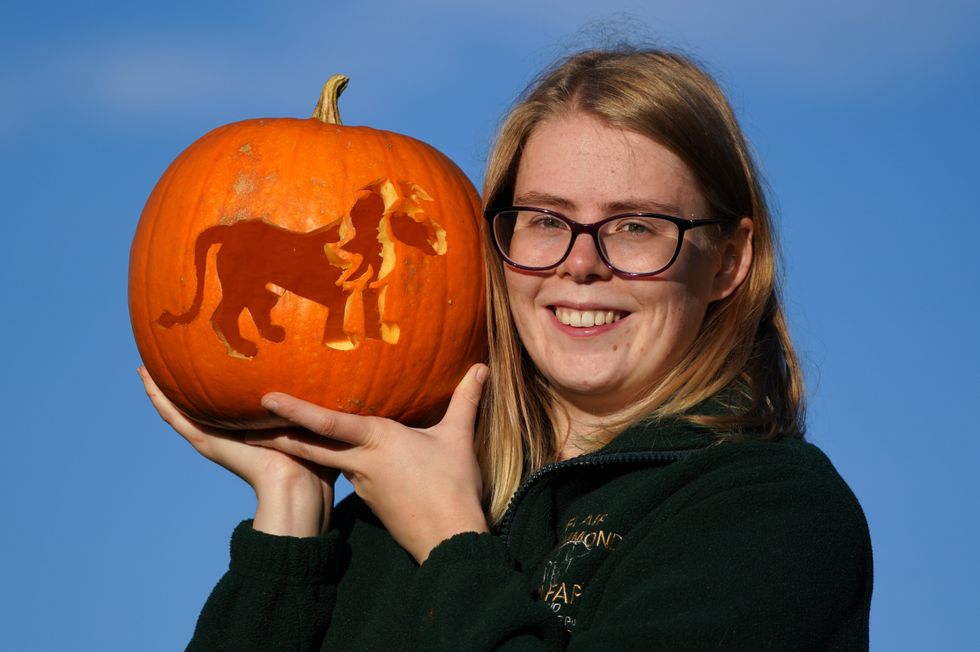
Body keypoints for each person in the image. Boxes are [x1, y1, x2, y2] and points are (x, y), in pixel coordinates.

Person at [140, 46, 872, 650]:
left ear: (728, 261)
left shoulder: (772, 515)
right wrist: (292, 522)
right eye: (546, 221)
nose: (581, 263)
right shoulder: (377, 516)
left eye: (637, 226)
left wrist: (451, 543)